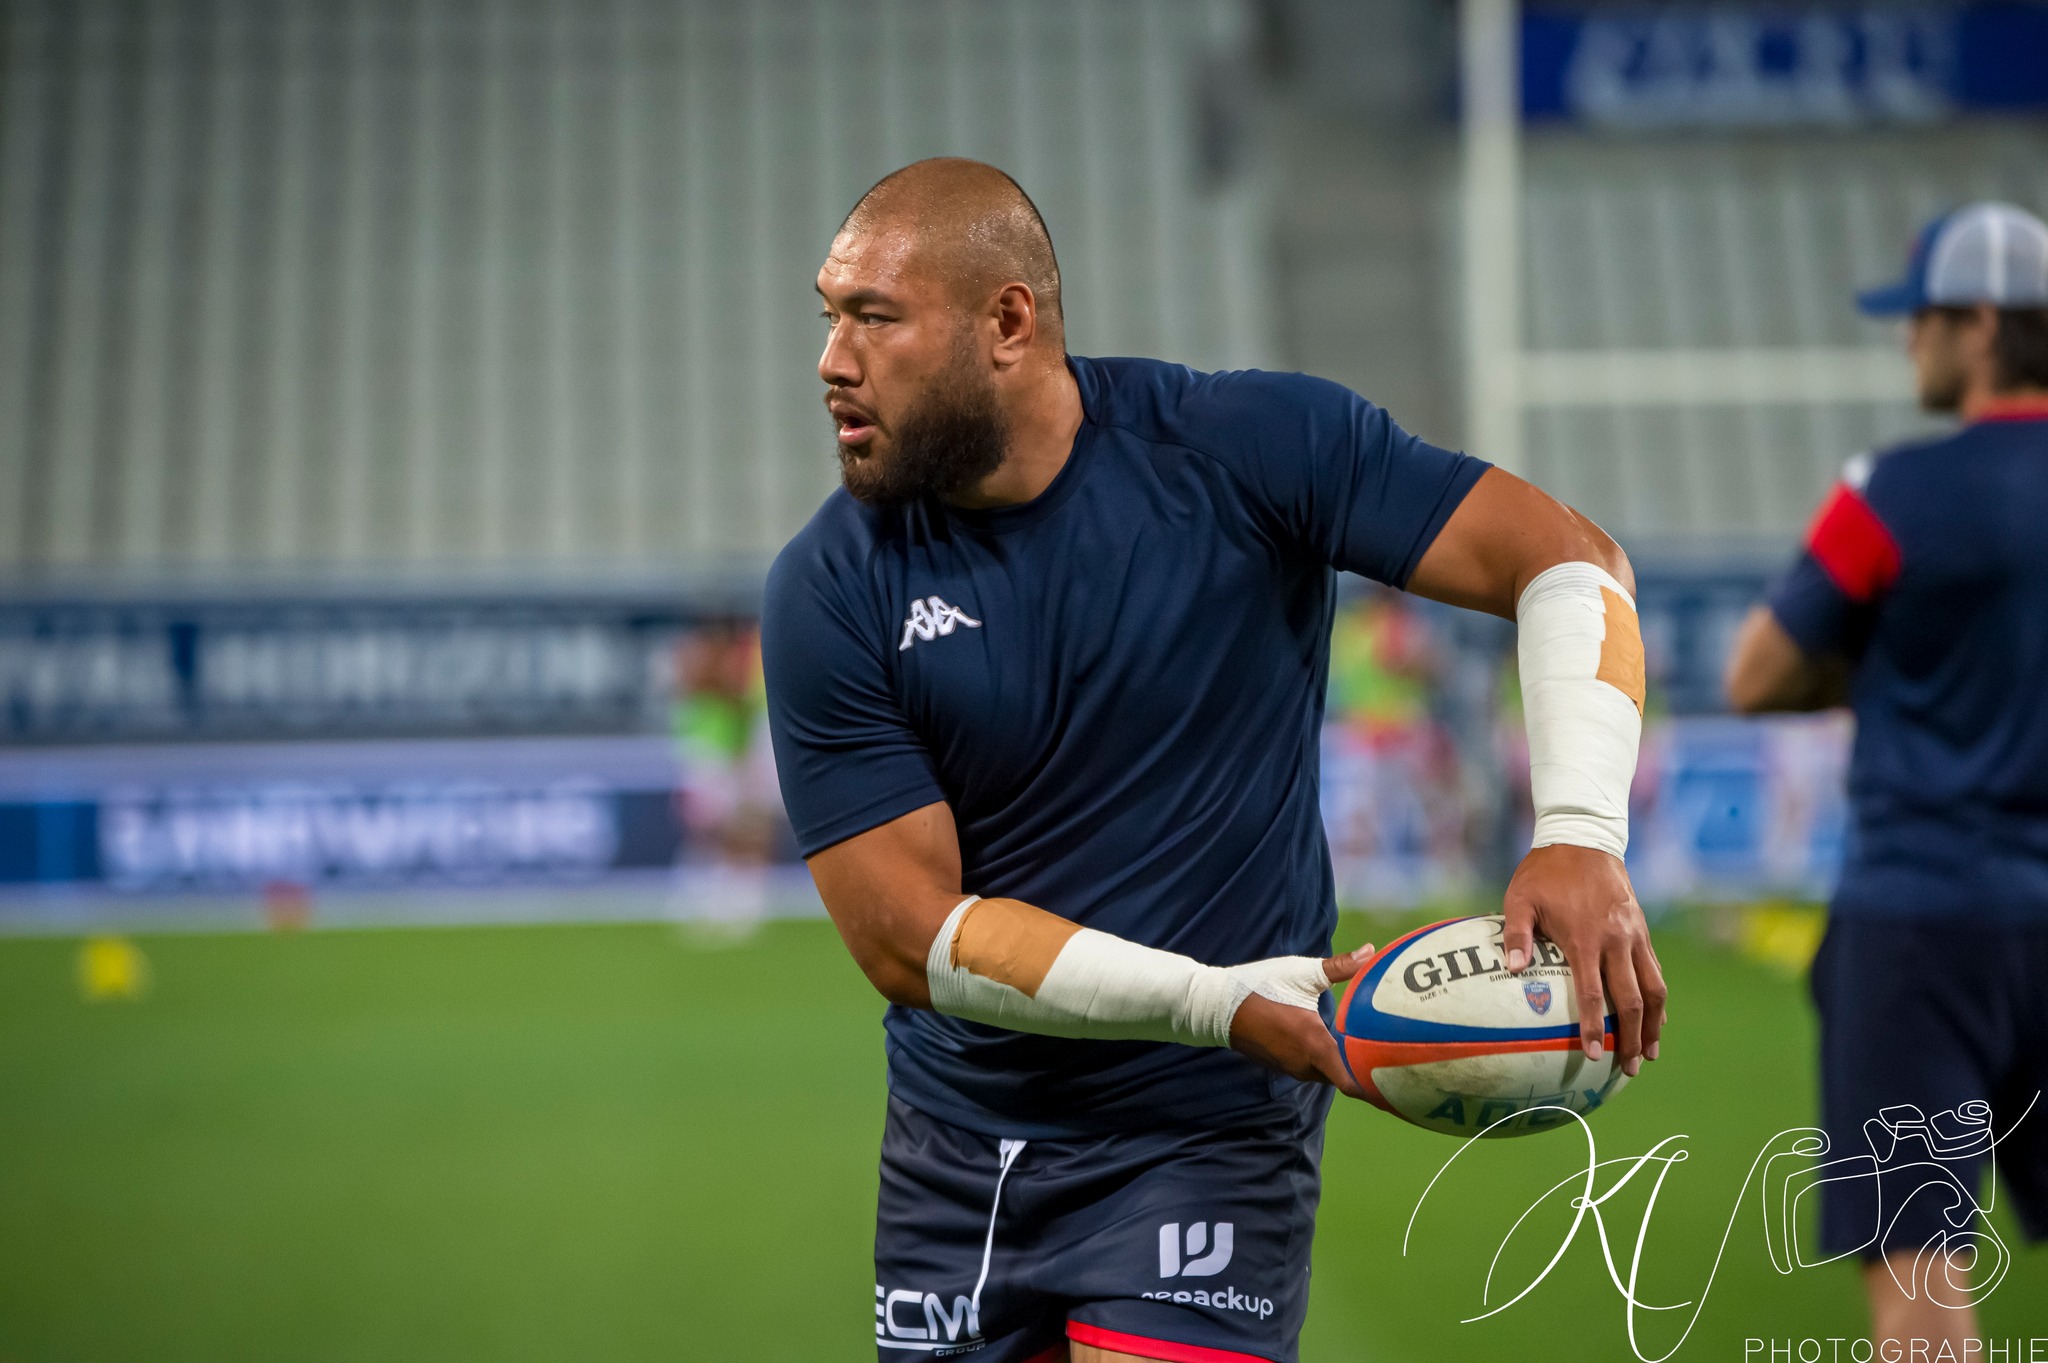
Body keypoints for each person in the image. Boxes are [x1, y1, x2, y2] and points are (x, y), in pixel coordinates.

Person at [763, 157, 1664, 1363]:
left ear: (1006, 324)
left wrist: (1575, 833)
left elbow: (1568, 563)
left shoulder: (1243, 446)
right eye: (828, 317)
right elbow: (908, 940)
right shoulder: (830, 584)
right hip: (957, 1146)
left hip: (1206, 1135)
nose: (831, 359)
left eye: (872, 318)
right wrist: (1219, 1001)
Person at [1726, 201, 2048, 1351]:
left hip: (1920, 930)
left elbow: (1753, 672)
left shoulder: (1889, 493)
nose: (1904, 340)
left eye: (1918, 317)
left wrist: (1878, 673)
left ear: (1976, 324)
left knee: (1920, 1286)